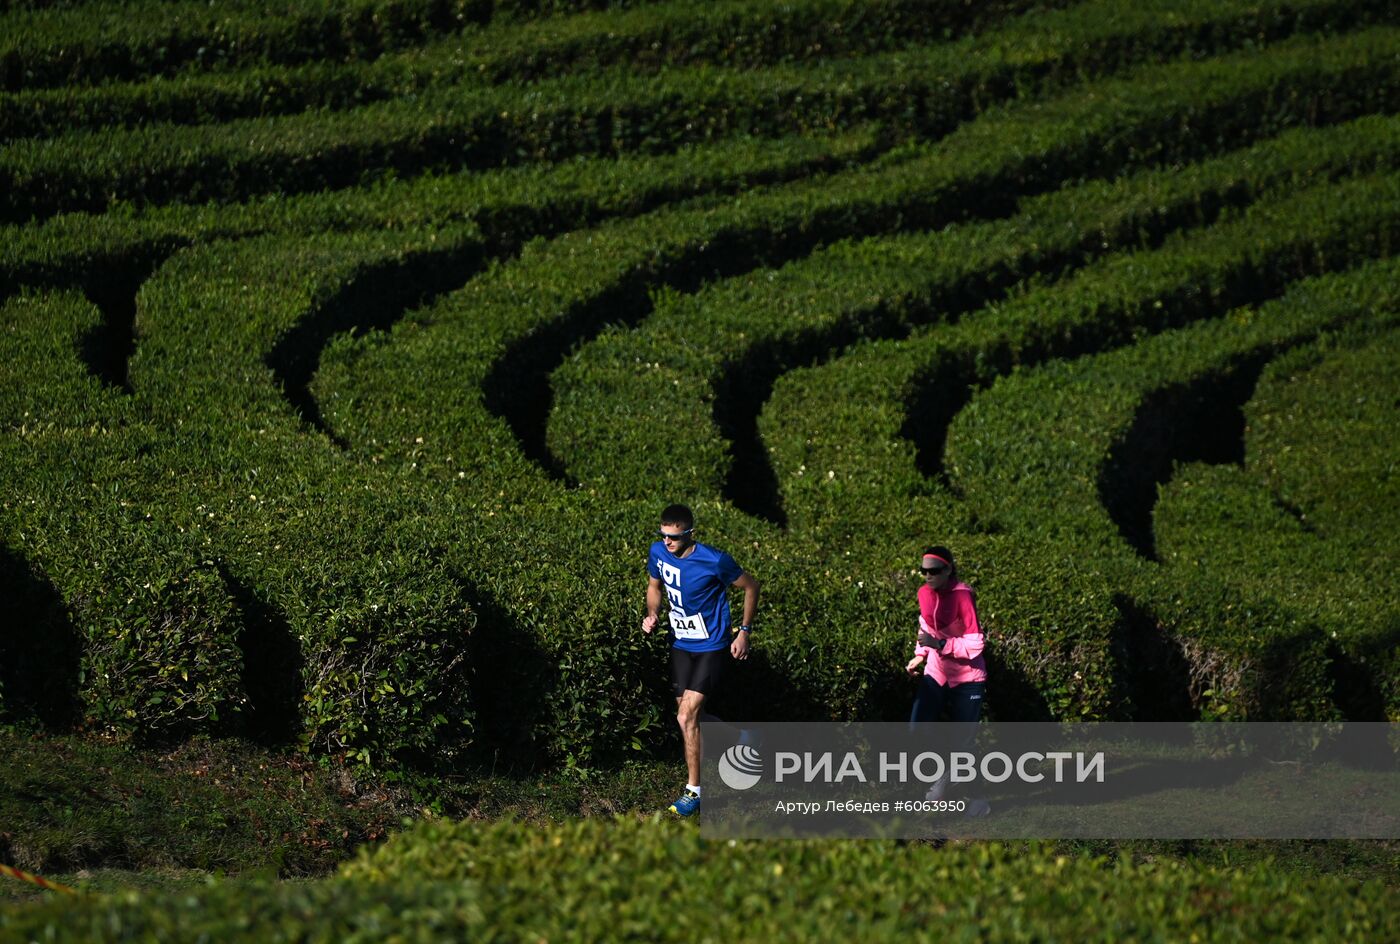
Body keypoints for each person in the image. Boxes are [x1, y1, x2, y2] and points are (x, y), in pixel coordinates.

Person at [641, 503, 759, 817]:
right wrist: (652, 614)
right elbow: (654, 587)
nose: (668, 543)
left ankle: (695, 791)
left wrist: (743, 632)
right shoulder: (658, 552)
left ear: (690, 534)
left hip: (711, 645)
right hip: (680, 642)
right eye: (664, 536)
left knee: (685, 718)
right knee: (693, 715)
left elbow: (751, 587)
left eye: (675, 538)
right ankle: (742, 737)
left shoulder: (715, 560)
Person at [905, 545, 989, 815]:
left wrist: (940, 644)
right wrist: (921, 654)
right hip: (937, 671)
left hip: (968, 679)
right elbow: (926, 627)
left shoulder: (963, 596)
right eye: (924, 571)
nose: (928, 576)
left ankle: (977, 801)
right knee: (917, 730)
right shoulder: (923, 594)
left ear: (949, 570)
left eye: (935, 571)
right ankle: (944, 777)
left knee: (963, 743)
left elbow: (976, 645)